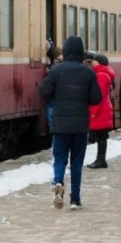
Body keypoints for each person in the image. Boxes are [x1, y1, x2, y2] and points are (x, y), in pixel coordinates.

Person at [38, 36, 102, 210]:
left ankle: (58, 181)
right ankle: (75, 200)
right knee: (76, 162)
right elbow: (97, 98)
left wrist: (56, 99)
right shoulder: (88, 72)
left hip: (60, 122)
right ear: (81, 51)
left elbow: (43, 90)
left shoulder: (56, 71)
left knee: (60, 158)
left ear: (65, 51)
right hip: (80, 124)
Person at [88, 54, 115, 169]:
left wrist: (93, 113)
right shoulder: (103, 74)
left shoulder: (101, 76)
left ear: (99, 62)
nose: (92, 63)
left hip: (101, 110)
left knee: (101, 136)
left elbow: (99, 96)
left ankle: (101, 160)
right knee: (101, 136)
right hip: (103, 109)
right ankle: (100, 160)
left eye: (94, 61)